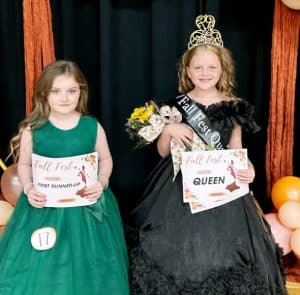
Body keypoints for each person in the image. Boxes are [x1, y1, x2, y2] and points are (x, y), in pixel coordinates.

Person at [127, 15, 287, 294]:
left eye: (211, 67)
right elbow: (163, 152)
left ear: (222, 69)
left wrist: (249, 169)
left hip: (222, 188)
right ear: (187, 70)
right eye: (198, 67)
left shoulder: (234, 105)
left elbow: (236, 148)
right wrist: (169, 131)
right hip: (178, 188)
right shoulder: (176, 105)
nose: (204, 72)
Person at [0, 60, 130, 294]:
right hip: (44, 207)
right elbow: (25, 163)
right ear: (44, 93)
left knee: (90, 263)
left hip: (87, 208)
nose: (65, 98)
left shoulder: (92, 126)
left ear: (81, 92)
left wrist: (101, 181)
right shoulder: (34, 129)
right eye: (56, 91)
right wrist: (29, 188)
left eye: (72, 91)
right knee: (44, 262)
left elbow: (106, 159)